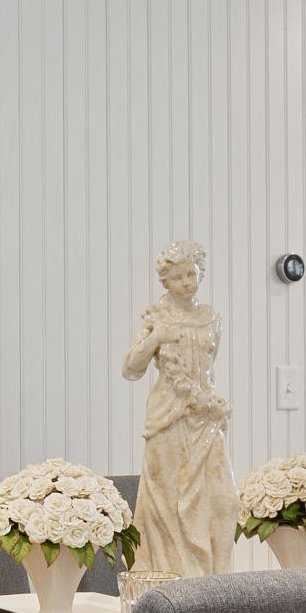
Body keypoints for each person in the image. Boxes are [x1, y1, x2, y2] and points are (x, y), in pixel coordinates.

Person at [122, 239, 231, 576]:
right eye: (178, 277)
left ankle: (212, 581)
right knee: (168, 498)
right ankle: (168, 577)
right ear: (165, 281)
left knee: (220, 496)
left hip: (205, 414)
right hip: (168, 415)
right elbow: (131, 368)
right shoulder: (157, 318)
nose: (187, 282)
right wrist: (157, 337)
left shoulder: (212, 318)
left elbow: (207, 368)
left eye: (192, 274)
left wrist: (206, 400)